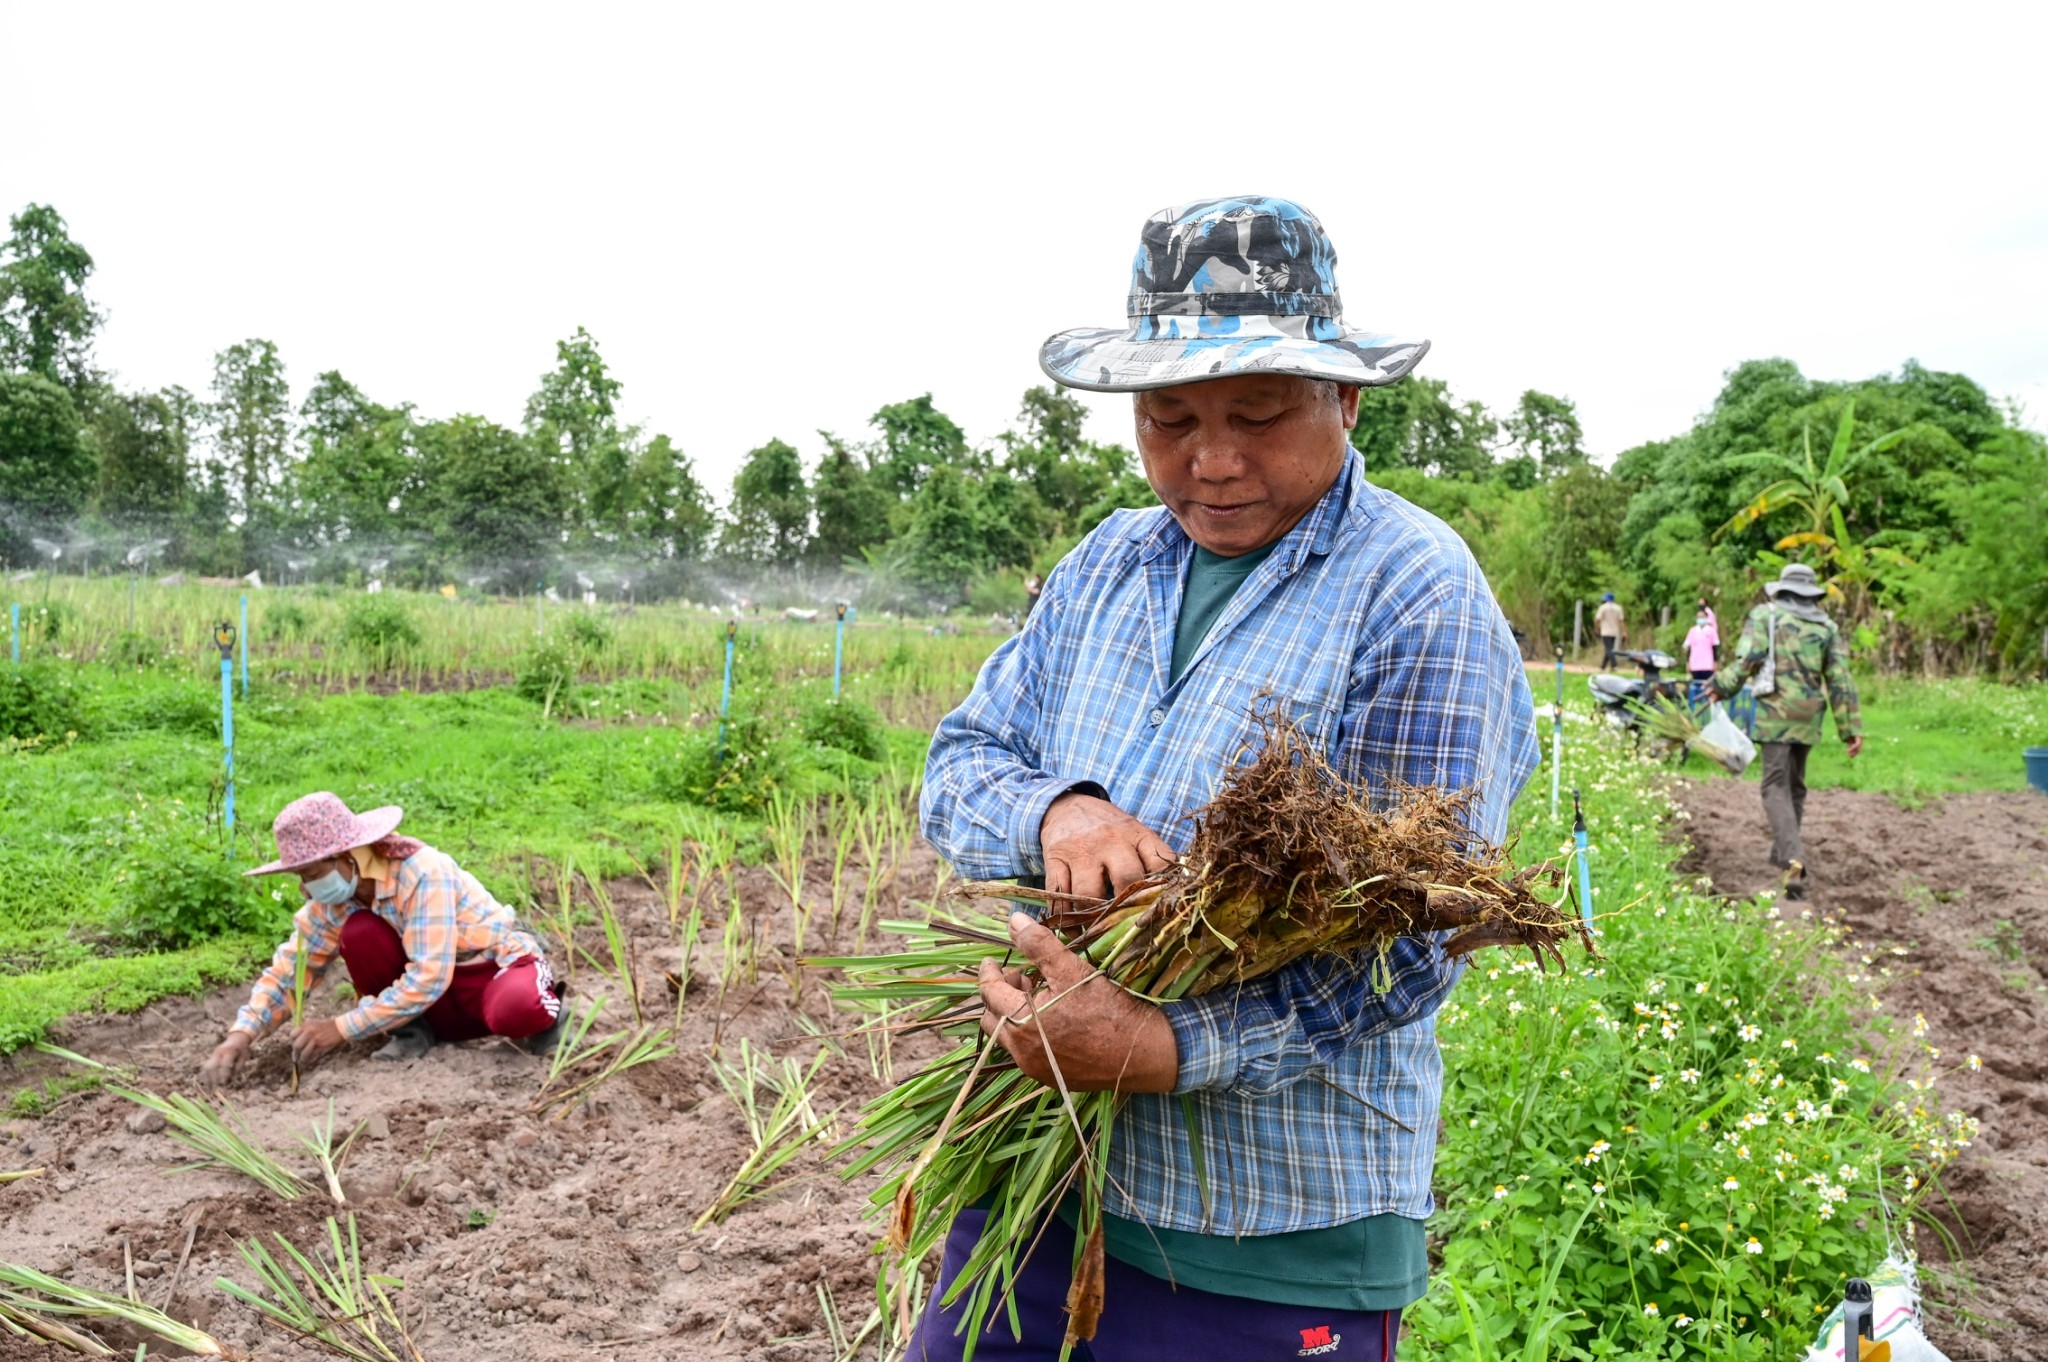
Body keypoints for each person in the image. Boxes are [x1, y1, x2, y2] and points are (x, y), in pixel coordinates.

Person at [918, 196, 1537, 1361]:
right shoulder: (1107, 562)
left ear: (1342, 399)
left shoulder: (1413, 592)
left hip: (1266, 1238)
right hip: (1032, 1182)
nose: (1209, 460)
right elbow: (958, 765)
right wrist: (1060, 808)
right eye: (1168, 419)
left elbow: (1411, 937)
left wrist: (1164, 1049)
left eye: (1255, 414)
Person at [198, 793, 563, 1087]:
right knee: (360, 933)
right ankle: (412, 1033)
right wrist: (240, 1036)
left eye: (311, 874)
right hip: (436, 1005)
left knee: (518, 1008)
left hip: (485, 974)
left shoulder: (420, 873)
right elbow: (290, 973)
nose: (305, 888)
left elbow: (429, 976)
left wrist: (340, 1027)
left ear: (345, 857)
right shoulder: (331, 902)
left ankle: (551, 1017)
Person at [1707, 564, 1863, 900]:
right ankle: (1783, 852)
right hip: (1809, 716)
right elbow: (1840, 679)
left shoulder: (1766, 616)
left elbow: (1748, 660)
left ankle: (1793, 859)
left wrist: (1720, 686)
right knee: (1795, 784)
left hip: (1775, 713)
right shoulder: (1826, 627)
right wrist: (1850, 729)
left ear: (1782, 590)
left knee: (1774, 784)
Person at [1683, 608, 1718, 705]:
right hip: (1695, 663)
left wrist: (1715, 662)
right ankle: (1695, 702)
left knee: (1707, 684)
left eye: (1702, 617)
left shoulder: (1711, 631)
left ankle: (1706, 702)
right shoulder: (1693, 631)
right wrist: (1688, 662)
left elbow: (1715, 647)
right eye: (1698, 617)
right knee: (1696, 684)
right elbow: (1689, 648)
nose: (1700, 619)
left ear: (1706, 618)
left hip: (1707, 663)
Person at [1594, 591, 1625, 668]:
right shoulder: (1618, 608)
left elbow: (1598, 619)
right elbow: (1621, 621)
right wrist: (1624, 631)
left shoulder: (1603, 607)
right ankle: (1603, 666)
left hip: (1605, 631)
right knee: (1609, 648)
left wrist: (1596, 628)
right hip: (1614, 631)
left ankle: (1614, 664)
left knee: (1609, 649)